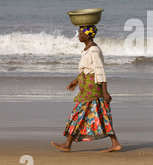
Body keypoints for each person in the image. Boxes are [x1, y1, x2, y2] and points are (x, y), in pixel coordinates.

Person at [51, 25, 121, 153]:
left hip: (92, 88)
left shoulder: (94, 50)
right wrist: (76, 81)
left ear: (88, 35)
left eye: (81, 33)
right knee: (102, 114)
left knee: (77, 114)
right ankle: (115, 143)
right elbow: (86, 69)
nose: (78, 35)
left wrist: (105, 91)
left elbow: (100, 70)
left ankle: (67, 144)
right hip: (88, 87)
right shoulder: (87, 50)